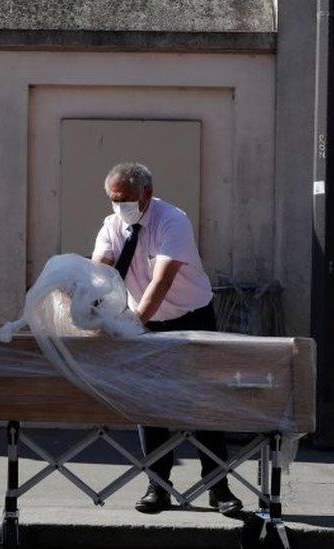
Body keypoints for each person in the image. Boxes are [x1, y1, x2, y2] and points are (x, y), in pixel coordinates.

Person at [91, 162, 243, 517]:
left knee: (203, 402)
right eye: (113, 200)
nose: (120, 207)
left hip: (192, 318)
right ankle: (157, 487)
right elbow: (101, 271)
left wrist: (134, 323)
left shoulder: (172, 220)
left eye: (126, 199)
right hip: (145, 323)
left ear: (146, 193)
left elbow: (162, 281)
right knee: (149, 404)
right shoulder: (112, 226)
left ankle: (218, 488)